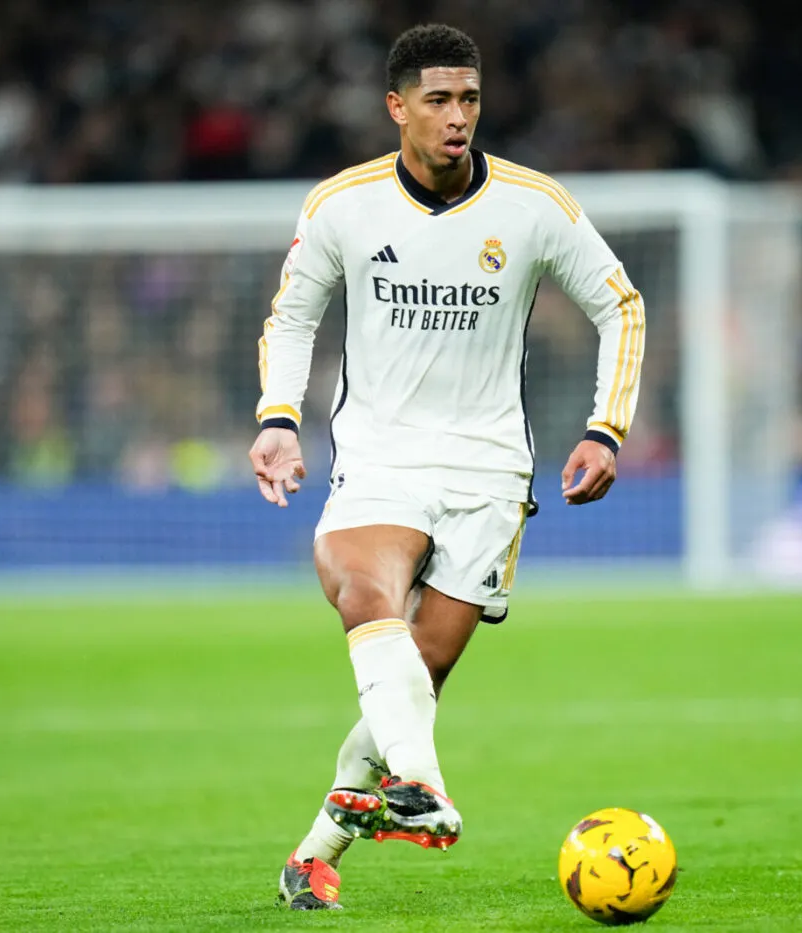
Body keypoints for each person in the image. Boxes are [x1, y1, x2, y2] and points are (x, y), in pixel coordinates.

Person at [250, 23, 646, 911]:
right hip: (380, 457)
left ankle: (314, 854)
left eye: (469, 98)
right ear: (398, 107)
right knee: (364, 591)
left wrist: (606, 428)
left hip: (490, 472)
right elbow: (292, 316)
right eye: (437, 100)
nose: (457, 116)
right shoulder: (342, 206)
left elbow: (620, 303)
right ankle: (422, 785)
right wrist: (278, 418)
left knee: (414, 678)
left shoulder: (532, 206)